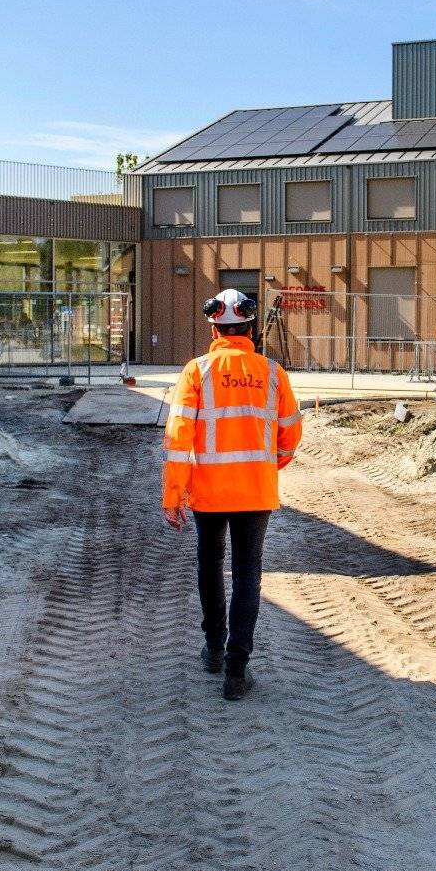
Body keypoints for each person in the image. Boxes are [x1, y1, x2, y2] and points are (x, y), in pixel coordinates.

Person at [162, 288, 302, 701]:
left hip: (209, 491)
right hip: (256, 492)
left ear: (214, 330)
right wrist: (267, 465)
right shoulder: (273, 372)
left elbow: (177, 438)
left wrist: (174, 494)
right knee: (247, 576)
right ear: (251, 328)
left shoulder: (197, 371)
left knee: (210, 565)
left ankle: (213, 650)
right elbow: (290, 434)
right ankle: (236, 672)